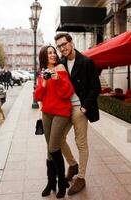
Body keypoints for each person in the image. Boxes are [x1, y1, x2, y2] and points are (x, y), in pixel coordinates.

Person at [54, 33, 101, 195]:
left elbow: (96, 87)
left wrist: (85, 107)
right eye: (59, 46)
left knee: (81, 143)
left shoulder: (87, 62)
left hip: (80, 109)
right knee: (58, 139)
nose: (62, 48)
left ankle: (81, 176)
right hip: (65, 108)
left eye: (64, 44)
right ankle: (72, 164)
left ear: (71, 42)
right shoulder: (61, 63)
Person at [34, 45, 74, 199]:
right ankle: (51, 182)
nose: (53, 55)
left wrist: (57, 80)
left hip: (61, 112)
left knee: (54, 147)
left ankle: (62, 182)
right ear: (44, 56)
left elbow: (67, 92)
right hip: (47, 113)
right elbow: (38, 96)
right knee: (49, 149)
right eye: (49, 53)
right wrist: (44, 83)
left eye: (53, 52)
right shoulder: (42, 73)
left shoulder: (61, 68)